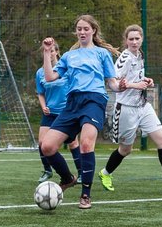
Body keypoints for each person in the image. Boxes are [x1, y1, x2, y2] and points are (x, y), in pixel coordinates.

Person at [39, 15, 119, 210]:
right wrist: (47, 52)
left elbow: (113, 84)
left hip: (94, 100)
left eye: (85, 28)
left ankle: (86, 194)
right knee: (46, 146)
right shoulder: (69, 55)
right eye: (79, 29)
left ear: (93, 31)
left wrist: (129, 85)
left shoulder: (101, 54)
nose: (82, 32)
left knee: (85, 144)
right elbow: (49, 77)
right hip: (72, 103)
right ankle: (67, 179)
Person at [97, 25, 162, 194]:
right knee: (126, 149)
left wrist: (146, 81)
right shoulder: (124, 58)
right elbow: (114, 81)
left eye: (137, 38)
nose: (134, 42)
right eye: (131, 39)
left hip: (143, 105)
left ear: (142, 39)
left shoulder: (140, 55)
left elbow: (135, 77)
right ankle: (105, 173)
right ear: (126, 41)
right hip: (125, 109)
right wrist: (133, 85)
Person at [35, 39, 82, 183]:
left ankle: (81, 174)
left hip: (66, 112)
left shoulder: (66, 69)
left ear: (57, 52)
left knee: (73, 143)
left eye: (52, 51)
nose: (49, 54)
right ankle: (48, 170)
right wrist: (43, 106)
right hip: (50, 113)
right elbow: (40, 93)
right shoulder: (40, 73)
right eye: (46, 52)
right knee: (42, 143)